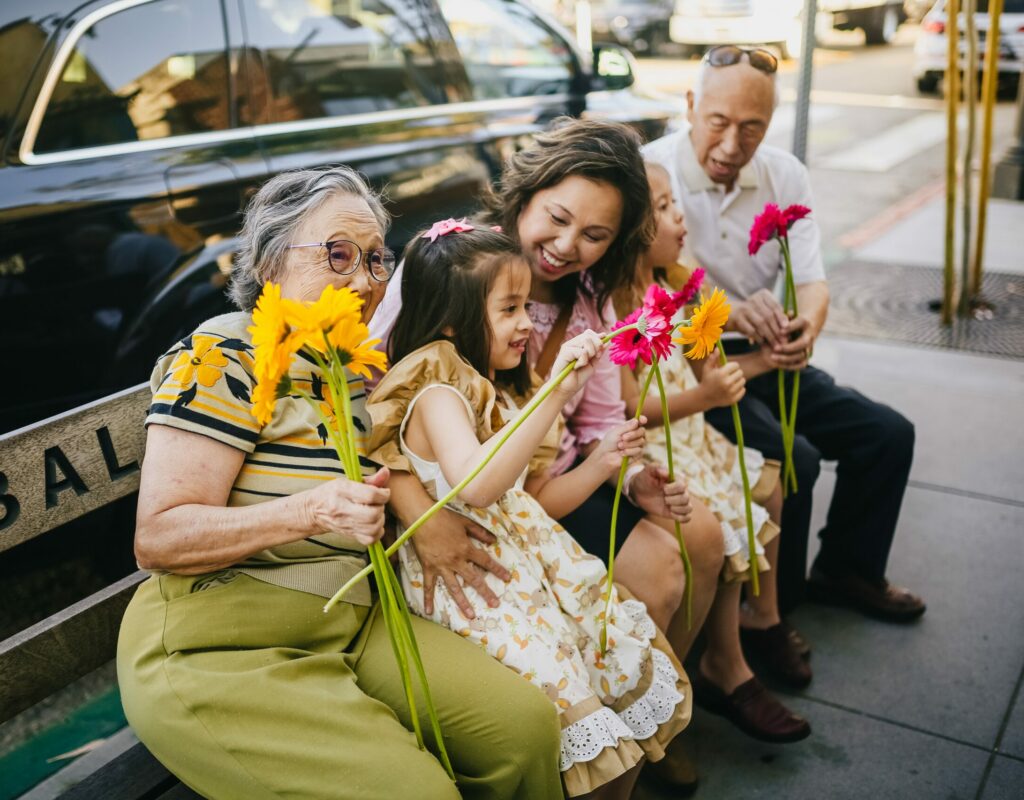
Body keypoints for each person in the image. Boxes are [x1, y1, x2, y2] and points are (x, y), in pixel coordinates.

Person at [116, 166, 564, 800]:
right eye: (337, 255)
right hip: (222, 647)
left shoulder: (352, 372)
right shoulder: (224, 355)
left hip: (351, 626)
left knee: (526, 730)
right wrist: (310, 512)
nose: (362, 278)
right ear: (272, 263)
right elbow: (158, 538)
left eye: (376, 260)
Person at [372, 118, 724, 793]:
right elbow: (373, 408)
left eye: (594, 236)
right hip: (468, 498)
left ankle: (643, 729)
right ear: (526, 196)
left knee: (691, 538)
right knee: (656, 575)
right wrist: (419, 508)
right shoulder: (453, 271)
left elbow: (596, 425)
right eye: (557, 219)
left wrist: (630, 479)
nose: (566, 247)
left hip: (539, 488)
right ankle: (606, 740)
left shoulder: (588, 302)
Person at [643, 46, 925, 626]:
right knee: (796, 461)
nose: (730, 145)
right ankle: (773, 613)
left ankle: (848, 570)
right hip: (695, 363)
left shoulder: (783, 173)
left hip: (770, 353)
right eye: (718, 123)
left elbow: (813, 281)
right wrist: (732, 312)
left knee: (887, 436)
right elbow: (669, 281)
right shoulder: (652, 171)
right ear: (691, 105)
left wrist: (805, 333)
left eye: (752, 128)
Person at [614, 162, 810, 744]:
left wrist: (756, 363)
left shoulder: (678, 283)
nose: (680, 217)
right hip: (663, 444)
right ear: (632, 228)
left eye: (677, 202)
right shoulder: (623, 305)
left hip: (695, 433)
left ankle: (758, 620)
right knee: (729, 513)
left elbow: (710, 364)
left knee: (769, 484)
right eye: (665, 207)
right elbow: (631, 405)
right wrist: (705, 392)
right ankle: (725, 663)